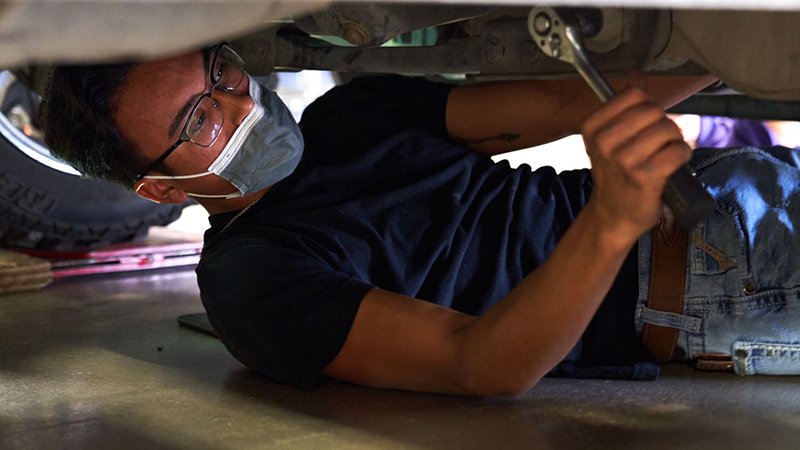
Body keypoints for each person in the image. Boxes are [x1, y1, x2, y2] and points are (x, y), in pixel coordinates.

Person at [38, 44, 800, 396]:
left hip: (736, 185)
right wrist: (607, 220)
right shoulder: (252, 281)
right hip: (715, 290)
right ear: (163, 192)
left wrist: (737, 40)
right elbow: (480, 363)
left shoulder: (350, 114)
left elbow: (572, 102)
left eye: (221, 71)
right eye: (202, 114)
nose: (242, 101)